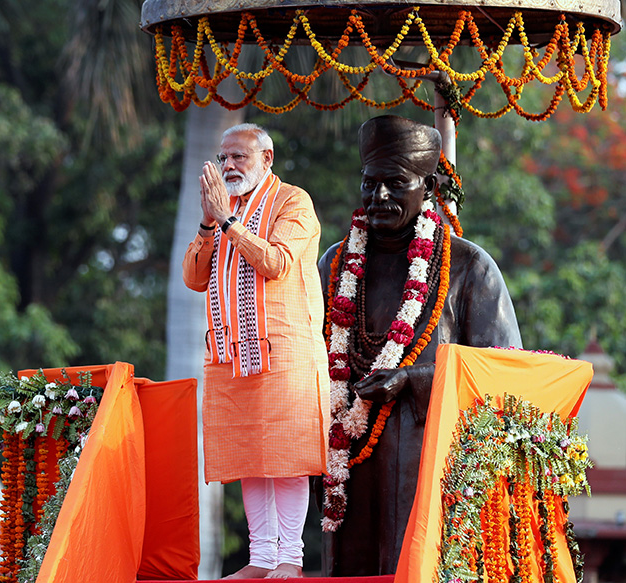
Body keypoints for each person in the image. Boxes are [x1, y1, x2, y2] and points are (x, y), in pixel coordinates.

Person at [317, 115, 522, 576]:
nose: (380, 197)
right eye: (371, 184)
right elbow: (310, 354)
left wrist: (412, 380)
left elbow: (503, 370)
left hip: (429, 449)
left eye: (395, 183)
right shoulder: (335, 263)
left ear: (427, 185)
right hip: (346, 452)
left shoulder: (469, 265)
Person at [182, 123, 329, 579]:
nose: (228, 166)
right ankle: (261, 558)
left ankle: (290, 559)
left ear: (266, 159)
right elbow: (194, 277)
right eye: (223, 158)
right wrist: (210, 222)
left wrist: (227, 222)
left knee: (286, 456)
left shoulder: (293, 202)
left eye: (239, 157)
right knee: (251, 457)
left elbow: (277, 262)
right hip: (231, 356)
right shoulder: (224, 210)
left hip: (285, 354)